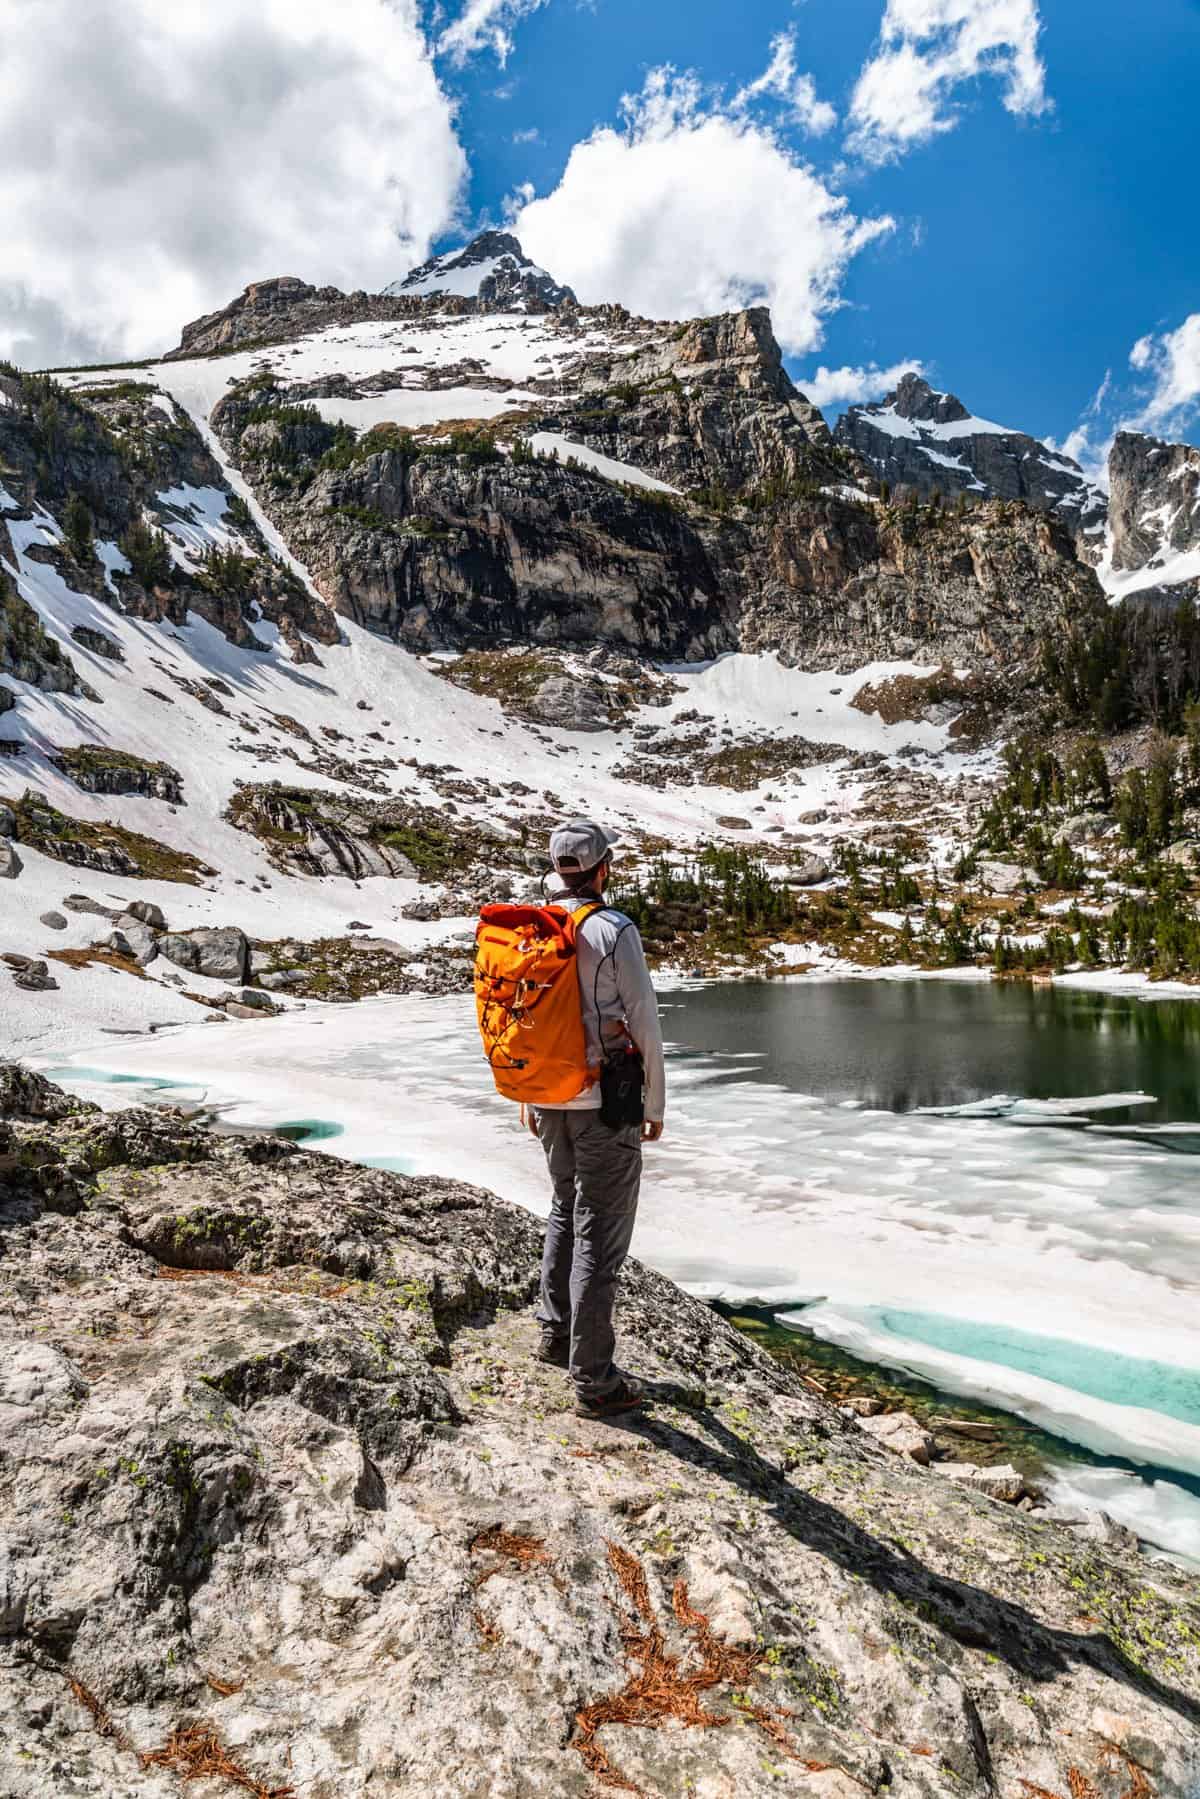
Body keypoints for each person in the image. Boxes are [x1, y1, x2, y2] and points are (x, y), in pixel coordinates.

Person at [530, 818, 666, 1418]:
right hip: (604, 1097)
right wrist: (653, 1104)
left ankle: (555, 1335)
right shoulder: (613, 930)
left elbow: (526, 1017)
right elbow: (644, 1019)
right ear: (601, 868)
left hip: (550, 1092)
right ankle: (595, 1378)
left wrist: (530, 1095)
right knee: (601, 1233)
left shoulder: (535, 927)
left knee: (565, 1206)